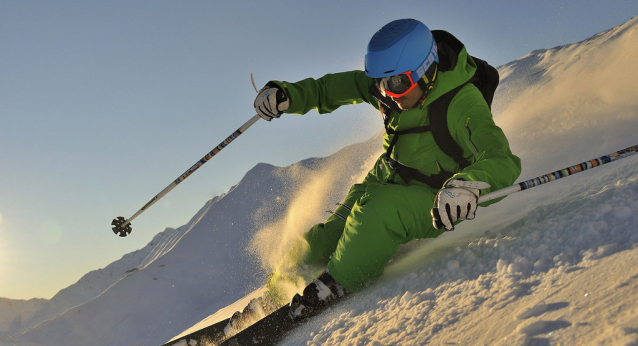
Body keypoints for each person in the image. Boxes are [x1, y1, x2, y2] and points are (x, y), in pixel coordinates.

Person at [230, 18, 521, 328]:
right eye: (381, 83)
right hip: (385, 179)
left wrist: (466, 187)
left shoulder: (462, 103)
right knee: (319, 241)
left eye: (398, 84)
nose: (389, 94)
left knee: (376, 214)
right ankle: (267, 303)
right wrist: (287, 94)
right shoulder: (390, 89)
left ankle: (333, 285)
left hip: (436, 198)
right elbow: (332, 88)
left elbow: (501, 159)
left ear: (427, 70)